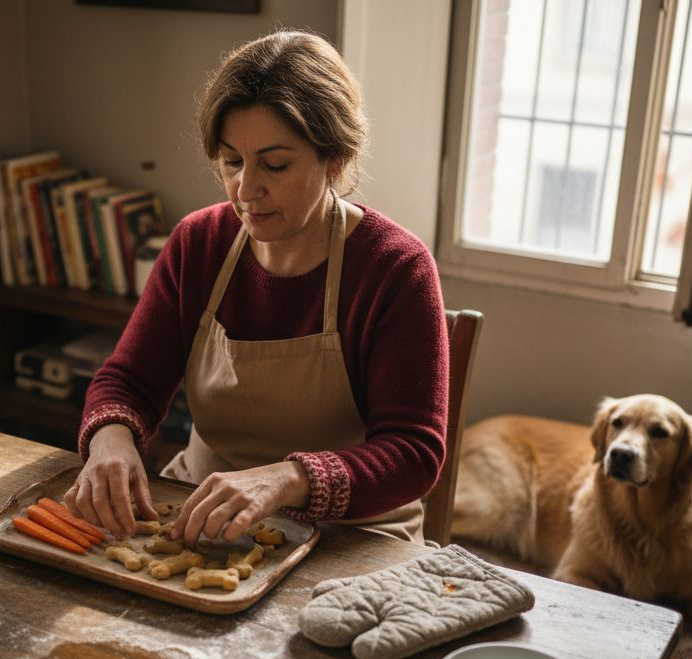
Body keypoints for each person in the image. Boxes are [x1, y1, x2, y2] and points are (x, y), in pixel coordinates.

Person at [66, 29, 449, 546]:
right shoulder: (197, 244)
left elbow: (412, 453)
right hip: (201, 509)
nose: (246, 190)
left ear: (333, 158)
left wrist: (287, 479)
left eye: (275, 164)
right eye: (231, 162)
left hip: (354, 534)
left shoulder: (395, 268)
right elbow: (129, 379)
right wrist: (111, 440)